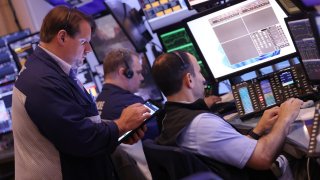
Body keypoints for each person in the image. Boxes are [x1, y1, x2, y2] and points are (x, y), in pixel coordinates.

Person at [12, 6, 150, 180]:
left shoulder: (55, 72)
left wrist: (116, 135)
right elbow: (78, 138)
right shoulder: (41, 81)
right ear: (62, 37)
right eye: (84, 41)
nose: (89, 50)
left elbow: (83, 122)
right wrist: (120, 125)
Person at [151, 51, 303, 179]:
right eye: (199, 72)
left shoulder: (169, 119)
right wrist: (286, 117)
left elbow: (224, 148)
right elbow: (262, 157)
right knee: (302, 160)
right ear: (189, 80)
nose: (203, 79)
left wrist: (258, 130)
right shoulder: (200, 124)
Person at [95, 48, 154, 180]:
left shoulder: (98, 101)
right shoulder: (132, 105)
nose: (142, 77)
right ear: (124, 72)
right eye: (138, 72)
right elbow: (161, 138)